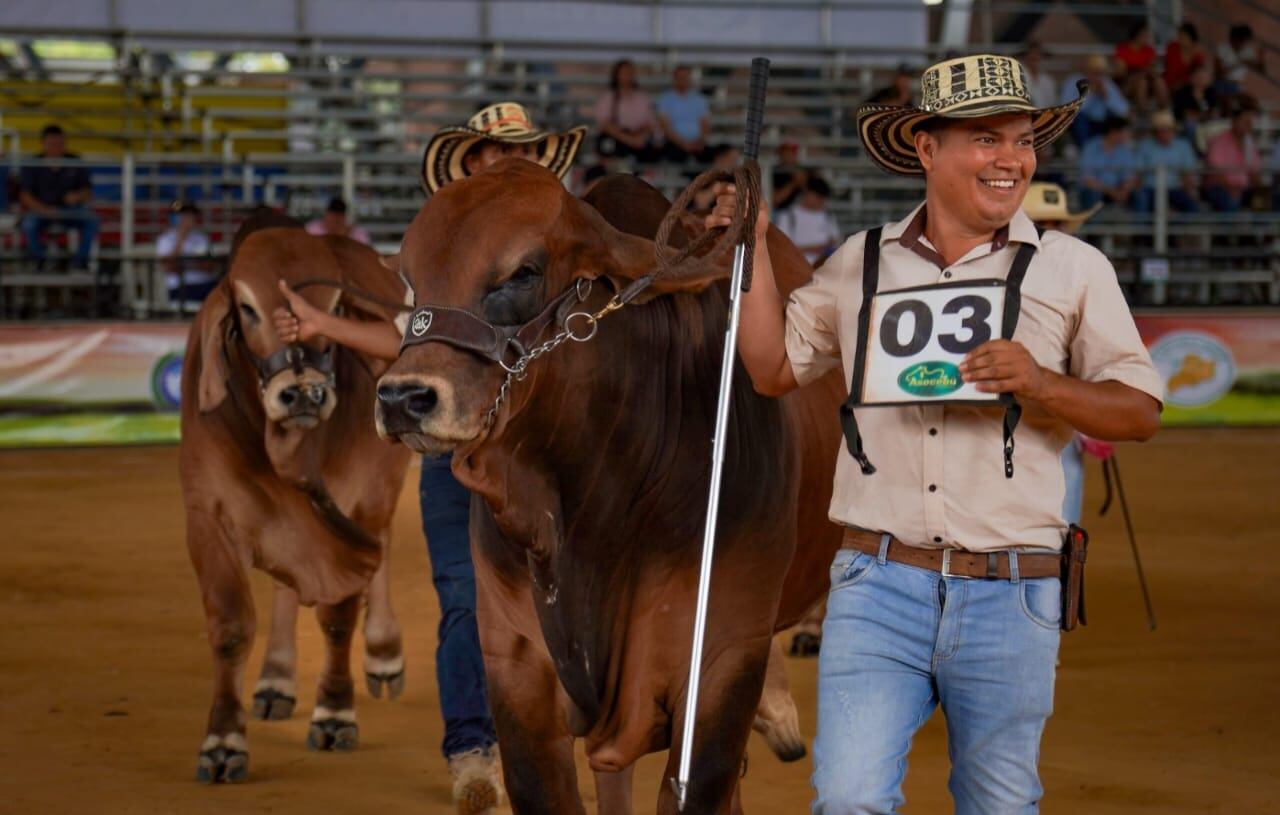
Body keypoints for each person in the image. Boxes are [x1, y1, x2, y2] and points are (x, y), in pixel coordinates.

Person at [710, 53, 1162, 812]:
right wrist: (752, 244)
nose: (1011, 159)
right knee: (848, 798)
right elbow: (769, 367)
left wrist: (1042, 381)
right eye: (986, 139)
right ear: (927, 149)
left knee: (998, 802)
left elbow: (1140, 410)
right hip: (875, 582)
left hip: (1013, 588)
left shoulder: (1073, 268)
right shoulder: (858, 263)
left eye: (1022, 140)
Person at [277, 102, 585, 815]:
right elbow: (409, 343)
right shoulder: (443, 252)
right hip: (462, 453)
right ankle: (472, 753)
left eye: (526, 151)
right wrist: (324, 324)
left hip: (543, 457)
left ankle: (546, 745)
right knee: (463, 602)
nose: (511, 162)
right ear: (472, 163)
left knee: (566, 602)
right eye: (495, 152)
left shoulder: (565, 250)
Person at [1021, 182, 1105, 526]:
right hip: (999, 417)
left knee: (1063, 523)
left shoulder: (1083, 278)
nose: (1051, 233)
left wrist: (1093, 421)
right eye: (1042, 224)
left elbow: (1095, 355)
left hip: (1061, 416)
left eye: (1057, 225)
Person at [19, 124, 99, 270]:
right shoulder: (32, 163)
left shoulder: (74, 161)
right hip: (41, 210)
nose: (56, 147)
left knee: (92, 220)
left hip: (69, 210)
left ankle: (79, 262)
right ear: (43, 144)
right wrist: (44, 210)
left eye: (60, 143)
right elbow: (25, 195)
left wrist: (77, 196)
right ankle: (41, 261)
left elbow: (88, 191)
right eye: (52, 144)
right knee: (28, 224)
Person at [593, 59, 660, 163]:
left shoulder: (642, 98)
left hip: (639, 139)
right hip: (618, 139)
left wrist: (640, 138)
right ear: (616, 74)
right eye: (624, 72)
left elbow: (650, 123)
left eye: (630, 72)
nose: (627, 75)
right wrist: (628, 140)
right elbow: (605, 124)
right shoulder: (608, 98)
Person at [1137, 110, 1201, 212]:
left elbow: (1189, 172)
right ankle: (1140, 228)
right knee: (1141, 198)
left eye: (1168, 129)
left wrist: (1189, 187)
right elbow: (1137, 172)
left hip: (1175, 188)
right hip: (1150, 189)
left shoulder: (1183, 146)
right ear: (1155, 132)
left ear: (1173, 130)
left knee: (1192, 206)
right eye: (1161, 130)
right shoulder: (1145, 146)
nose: (1164, 133)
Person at [1079, 116, 1148, 211]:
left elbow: (1129, 176)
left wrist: (1124, 191)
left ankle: (1139, 225)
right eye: (1125, 132)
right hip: (1097, 190)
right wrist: (1111, 192)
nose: (1128, 135)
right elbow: (1087, 180)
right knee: (1092, 194)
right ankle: (1093, 225)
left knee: (1140, 195)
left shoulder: (1124, 150)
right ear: (1114, 132)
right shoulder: (1090, 147)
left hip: (1117, 189)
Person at [1204, 101, 1263, 212]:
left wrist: (1260, 190)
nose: (1249, 125)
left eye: (1250, 122)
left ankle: (1259, 230)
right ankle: (1231, 229)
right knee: (1231, 201)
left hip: (1243, 188)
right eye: (1245, 121)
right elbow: (1216, 172)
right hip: (1220, 187)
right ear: (1234, 122)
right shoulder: (1219, 141)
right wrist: (1231, 187)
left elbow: (1254, 172)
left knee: (1263, 201)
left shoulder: (1250, 144)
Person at [155, 200, 214, 309]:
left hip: (205, 285)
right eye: (183, 215)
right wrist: (180, 240)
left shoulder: (202, 238)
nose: (187, 219)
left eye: (190, 215)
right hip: (180, 288)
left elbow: (209, 267)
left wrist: (183, 265)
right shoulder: (165, 240)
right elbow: (169, 267)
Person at [1062, 54, 1131, 145]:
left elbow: (1123, 109)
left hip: (1101, 122)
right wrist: (1090, 93)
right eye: (1094, 72)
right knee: (1080, 119)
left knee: (1115, 120)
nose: (1097, 76)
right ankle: (1086, 149)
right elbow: (1067, 109)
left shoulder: (1106, 83)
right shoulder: (1073, 81)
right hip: (1079, 122)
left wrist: (1106, 96)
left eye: (1099, 72)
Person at [775, 175, 842, 266]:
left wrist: (824, 249)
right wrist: (816, 249)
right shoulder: (787, 216)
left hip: (824, 270)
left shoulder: (828, 215)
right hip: (795, 269)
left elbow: (836, 241)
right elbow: (782, 248)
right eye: (818, 197)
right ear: (807, 193)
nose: (821, 201)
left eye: (823, 198)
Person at [656, 64, 712, 163]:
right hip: (674, 144)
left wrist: (699, 142)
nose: (682, 80)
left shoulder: (699, 99)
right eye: (679, 77)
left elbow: (705, 125)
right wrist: (685, 144)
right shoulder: (665, 99)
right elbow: (665, 127)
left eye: (685, 77)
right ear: (674, 79)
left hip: (697, 144)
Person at [1113, 20, 1168, 112]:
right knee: (1142, 81)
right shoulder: (1123, 49)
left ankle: (1163, 108)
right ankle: (1143, 111)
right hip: (1128, 83)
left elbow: (1152, 69)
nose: (1147, 37)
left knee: (1158, 80)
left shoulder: (1149, 50)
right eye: (1145, 35)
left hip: (1147, 80)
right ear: (1137, 35)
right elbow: (1120, 72)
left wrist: (1145, 71)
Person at [1215, 24, 1265, 97]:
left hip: (1237, 86)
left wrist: (1261, 57)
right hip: (1221, 84)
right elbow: (1218, 72)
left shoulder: (1247, 52)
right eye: (1244, 41)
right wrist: (1240, 63)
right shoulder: (1223, 48)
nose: (1245, 43)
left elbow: (1260, 70)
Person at [1163, 22, 1208, 93]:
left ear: (1192, 40)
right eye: (1180, 36)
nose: (1181, 39)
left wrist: (1184, 82)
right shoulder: (1172, 48)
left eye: (1184, 37)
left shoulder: (1197, 55)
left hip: (1189, 87)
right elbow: (1169, 72)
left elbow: (1199, 74)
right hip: (1171, 85)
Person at [305, 197, 371, 245]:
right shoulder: (312, 230)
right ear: (326, 216)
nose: (334, 223)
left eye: (338, 220)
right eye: (332, 218)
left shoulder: (358, 235)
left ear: (344, 219)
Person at [771, 140, 808, 210]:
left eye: (792, 153)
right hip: (780, 212)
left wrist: (803, 181)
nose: (788, 156)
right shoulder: (776, 172)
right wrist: (794, 183)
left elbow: (811, 199)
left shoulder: (803, 171)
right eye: (785, 153)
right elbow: (775, 200)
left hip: (800, 212)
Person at [1022, 42, 1059, 108]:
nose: (1034, 57)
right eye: (1031, 55)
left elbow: (1052, 103)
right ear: (1025, 57)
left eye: (1037, 55)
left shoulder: (1048, 80)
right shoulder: (1017, 77)